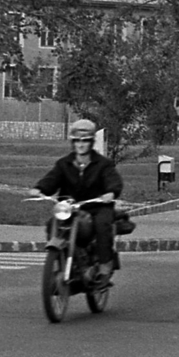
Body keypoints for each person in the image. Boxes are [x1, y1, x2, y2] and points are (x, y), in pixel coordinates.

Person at [30, 119, 123, 280]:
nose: (81, 145)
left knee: (102, 225)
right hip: (70, 208)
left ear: (91, 142)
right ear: (72, 142)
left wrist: (111, 193)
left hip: (96, 207)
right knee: (52, 224)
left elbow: (113, 181)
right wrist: (40, 189)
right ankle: (62, 262)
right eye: (77, 141)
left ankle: (104, 267)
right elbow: (52, 179)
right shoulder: (63, 164)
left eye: (85, 141)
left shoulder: (103, 164)